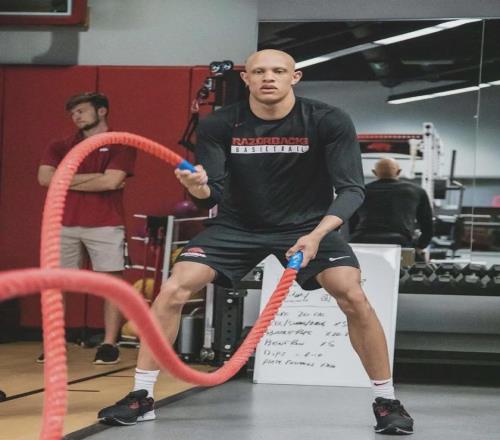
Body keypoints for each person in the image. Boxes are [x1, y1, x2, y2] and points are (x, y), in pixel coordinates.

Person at [97, 50, 414, 435]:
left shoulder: (327, 119)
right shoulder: (219, 124)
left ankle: (386, 400)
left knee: (352, 295)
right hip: (237, 225)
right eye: (259, 71)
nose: (268, 77)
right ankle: (141, 396)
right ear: (246, 79)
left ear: (294, 77)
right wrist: (197, 187)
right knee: (174, 288)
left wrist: (317, 235)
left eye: (278, 71)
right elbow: (210, 194)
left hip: (308, 225)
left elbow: (351, 190)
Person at [38, 92, 136, 365]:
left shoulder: (120, 143)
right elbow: (44, 178)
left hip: (105, 222)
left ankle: (109, 344)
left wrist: (64, 178)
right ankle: (55, 344)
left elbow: (111, 181)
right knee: (55, 283)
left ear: (101, 111)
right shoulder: (61, 145)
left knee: (111, 284)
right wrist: (96, 178)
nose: (76, 117)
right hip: (62, 222)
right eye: (73, 113)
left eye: (81, 111)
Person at [350, 157, 433, 260]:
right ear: (399, 172)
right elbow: (427, 224)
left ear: (374, 172)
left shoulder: (361, 192)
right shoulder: (416, 191)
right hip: (400, 242)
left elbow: (351, 222)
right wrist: (420, 246)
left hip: (361, 241)